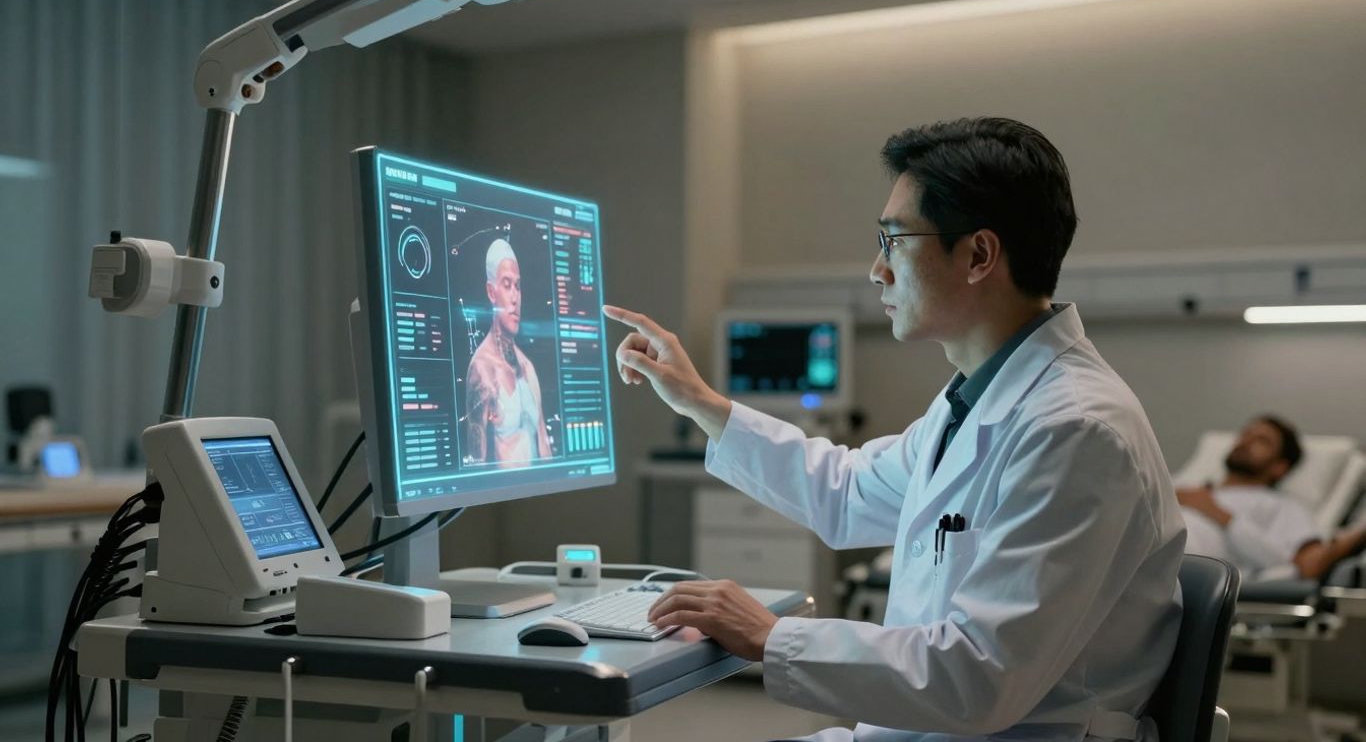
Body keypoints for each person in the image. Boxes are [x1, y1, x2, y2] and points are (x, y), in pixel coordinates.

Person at [605, 117, 1187, 742]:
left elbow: (977, 679)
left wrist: (772, 637)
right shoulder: (976, 400)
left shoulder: (1076, 430)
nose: (877, 271)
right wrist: (699, 402)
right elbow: (848, 490)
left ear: (978, 255)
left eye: (893, 240)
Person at [1179, 415, 1366, 582]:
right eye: (1246, 434)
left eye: (1262, 441)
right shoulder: (1184, 488)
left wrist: (1216, 513)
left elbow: (1304, 565)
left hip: (1181, 567)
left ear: (1280, 467)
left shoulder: (1281, 507)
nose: (1246, 441)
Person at [464, 238, 551, 467]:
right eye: (506, 284)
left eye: (518, 286)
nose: (514, 298)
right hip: (505, 501)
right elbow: (476, 465)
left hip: (536, 497)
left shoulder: (528, 369)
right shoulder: (482, 370)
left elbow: (544, 448)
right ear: (492, 292)